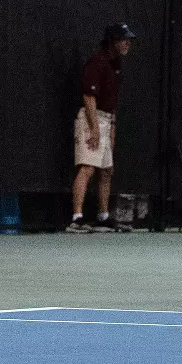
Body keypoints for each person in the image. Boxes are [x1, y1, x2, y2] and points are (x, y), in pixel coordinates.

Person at [67, 24, 134, 233]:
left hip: (106, 120)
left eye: (128, 40)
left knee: (106, 170)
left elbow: (112, 102)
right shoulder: (97, 62)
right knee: (87, 167)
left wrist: (111, 127)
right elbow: (88, 96)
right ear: (112, 41)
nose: (127, 43)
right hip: (90, 118)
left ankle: (103, 216)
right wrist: (94, 128)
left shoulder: (117, 65)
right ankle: (76, 219)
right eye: (123, 39)